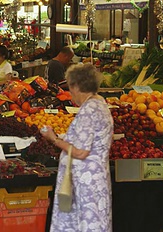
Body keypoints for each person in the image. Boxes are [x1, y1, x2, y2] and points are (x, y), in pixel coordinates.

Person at [40, 63, 113, 231]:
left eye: (70, 86)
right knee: (95, 221)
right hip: (95, 178)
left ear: (76, 86)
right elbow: (88, 140)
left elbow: (81, 152)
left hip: (86, 181)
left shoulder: (89, 110)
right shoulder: (100, 103)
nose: (70, 92)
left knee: (86, 222)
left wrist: (54, 139)